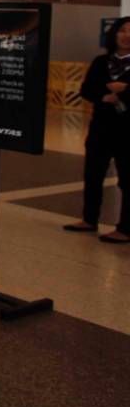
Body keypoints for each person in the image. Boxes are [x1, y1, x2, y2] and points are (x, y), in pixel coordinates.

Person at [63, 16, 130, 243]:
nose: (127, 36)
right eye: (122, 31)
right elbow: (87, 89)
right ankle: (89, 219)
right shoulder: (101, 62)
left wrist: (125, 90)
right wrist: (104, 96)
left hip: (127, 132)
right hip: (101, 128)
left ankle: (125, 228)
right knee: (93, 174)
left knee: (127, 180)